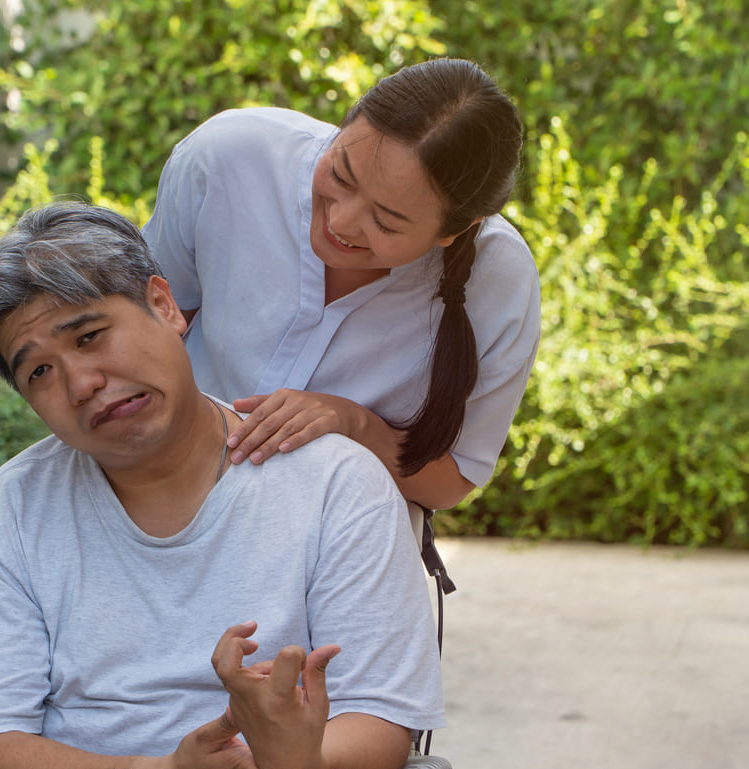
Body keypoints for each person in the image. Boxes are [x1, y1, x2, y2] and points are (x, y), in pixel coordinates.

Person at [0, 201, 445, 769]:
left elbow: (378, 730)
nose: (82, 382)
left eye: (89, 336)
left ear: (165, 306)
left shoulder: (335, 483)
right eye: (39, 372)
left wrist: (293, 757)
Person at [143, 57, 541, 511]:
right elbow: (143, 333)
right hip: (160, 508)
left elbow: (451, 481)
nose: (341, 221)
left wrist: (354, 424)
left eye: (386, 223)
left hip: (340, 555)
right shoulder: (228, 159)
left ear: (454, 231)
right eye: (340, 174)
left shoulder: (500, 280)